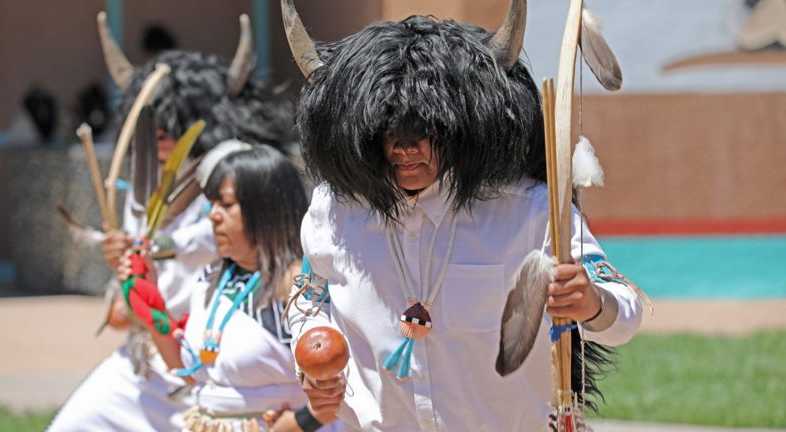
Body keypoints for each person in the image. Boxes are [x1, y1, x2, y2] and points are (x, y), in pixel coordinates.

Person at [281, 1, 643, 431]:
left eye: (424, 130)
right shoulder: (335, 207)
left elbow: (625, 313)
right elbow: (309, 296)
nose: (405, 148)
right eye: (388, 129)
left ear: (461, 126)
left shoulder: (529, 211)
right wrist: (312, 349)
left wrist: (590, 302)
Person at [49, 12, 294, 431]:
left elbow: (205, 242)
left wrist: (157, 249)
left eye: (175, 116)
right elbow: (121, 317)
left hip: (224, 372)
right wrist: (126, 278)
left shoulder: (235, 181)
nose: (161, 129)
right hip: (146, 365)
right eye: (152, 118)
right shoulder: (142, 194)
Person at [120, 142, 340, 432]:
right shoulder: (212, 277)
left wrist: (295, 424)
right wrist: (152, 302)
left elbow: (336, 388)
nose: (212, 215)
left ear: (263, 209)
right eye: (211, 204)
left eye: (226, 205)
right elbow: (191, 372)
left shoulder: (299, 286)